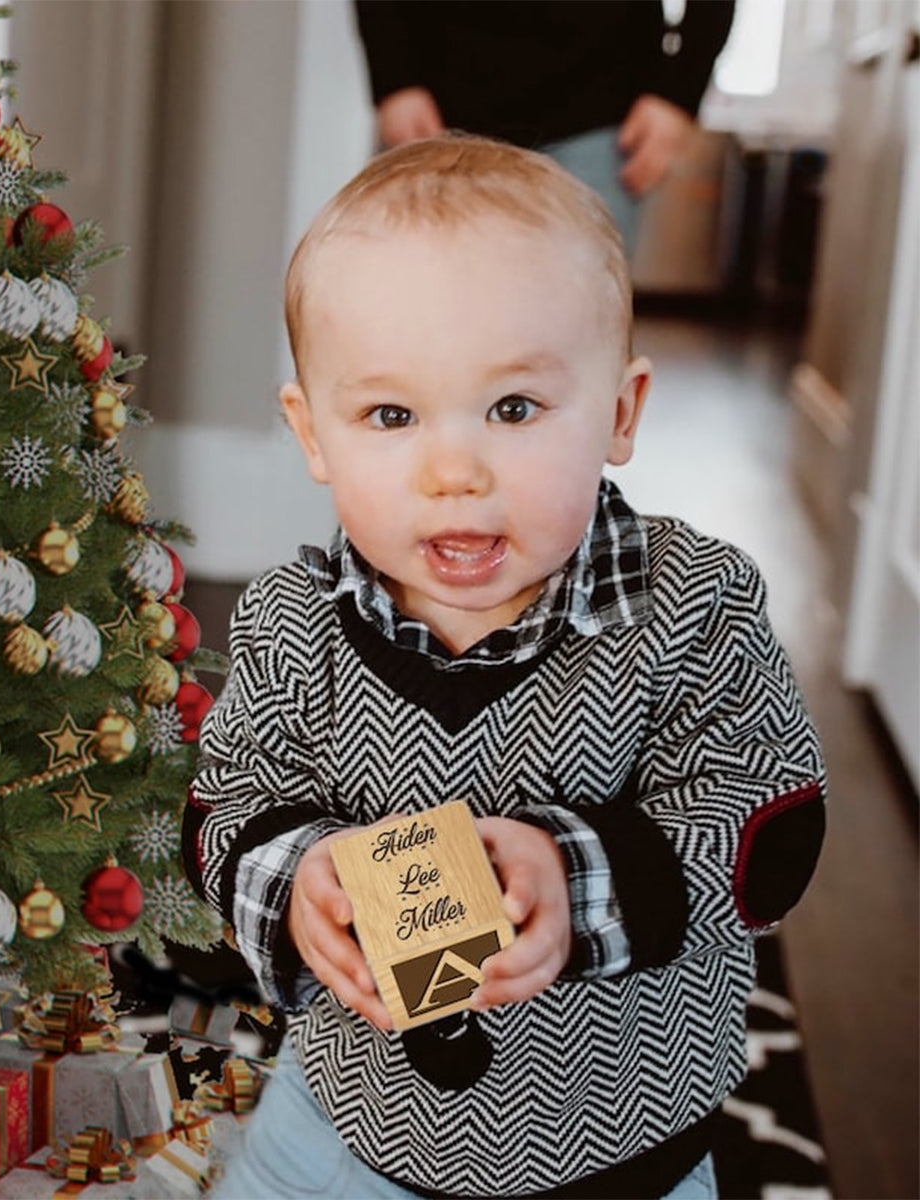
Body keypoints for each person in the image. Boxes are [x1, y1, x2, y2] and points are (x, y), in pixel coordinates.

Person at [182, 135, 825, 1200]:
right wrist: (294, 880)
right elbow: (227, 802)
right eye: (391, 416)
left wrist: (575, 879)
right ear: (312, 433)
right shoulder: (291, 618)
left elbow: (772, 824)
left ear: (619, 412)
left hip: (622, 1146)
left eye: (514, 409)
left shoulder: (691, 602)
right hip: (349, 1125)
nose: (453, 471)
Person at [354, 0, 735, 251]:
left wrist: (679, 91)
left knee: (576, 324)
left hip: (601, 110)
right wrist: (394, 77)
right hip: (437, 110)